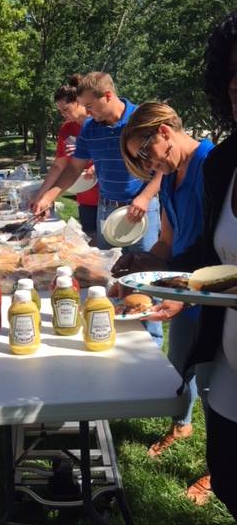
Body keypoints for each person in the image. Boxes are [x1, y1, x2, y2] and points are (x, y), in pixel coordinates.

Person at [148, 11, 237, 519]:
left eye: (147, 153)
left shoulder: (205, 161)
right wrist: (170, 286)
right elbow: (208, 256)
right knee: (229, 477)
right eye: (230, 75)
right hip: (226, 356)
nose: (235, 88)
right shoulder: (226, 164)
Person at [113, 101, 214, 502]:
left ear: (164, 133)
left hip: (213, 296)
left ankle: (218, 469)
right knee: (180, 368)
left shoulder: (213, 165)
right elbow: (169, 243)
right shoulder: (170, 178)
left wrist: (184, 298)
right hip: (186, 293)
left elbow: (218, 248)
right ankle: (182, 425)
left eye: (144, 154)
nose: (148, 166)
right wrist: (142, 263)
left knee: (215, 386)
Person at [32, 71, 163, 346]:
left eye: (90, 106)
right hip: (107, 211)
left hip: (141, 210)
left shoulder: (141, 119)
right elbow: (72, 170)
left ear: (108, 95)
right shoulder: (91, 128)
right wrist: (50, 196)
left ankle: (150, 343)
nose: (87, 113)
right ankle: (115, 337)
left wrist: (147, 196)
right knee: (108, 278)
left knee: (144, 279)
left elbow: (166, 164)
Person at [31, 77, 99, 242]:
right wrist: (41, 197)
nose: (63, 115)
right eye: (60, 111)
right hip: (86, 198)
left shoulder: (99, 122)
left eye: (66, 109)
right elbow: (58, 167)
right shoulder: (67, 130)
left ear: (79, 102)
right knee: (94, 246)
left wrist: (98, 167)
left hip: (109, 198)